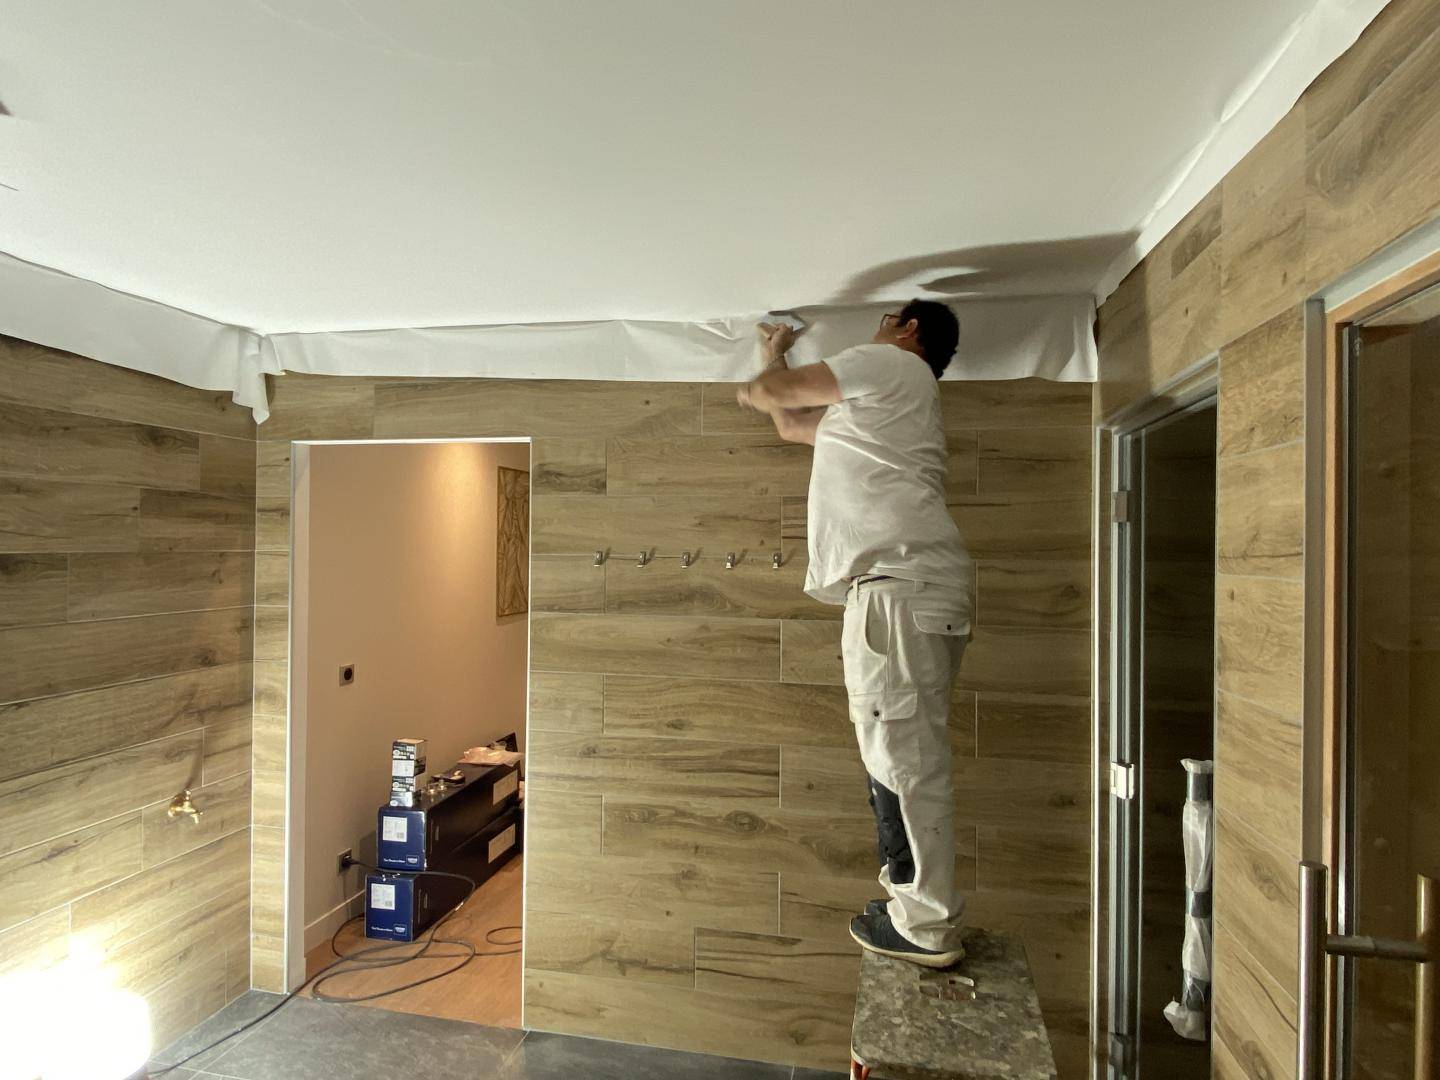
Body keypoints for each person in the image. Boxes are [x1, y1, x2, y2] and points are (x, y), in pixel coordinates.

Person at [736, 301, 972, 968]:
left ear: (909, 328)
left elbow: (773, 397)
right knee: (895, 755)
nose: (876, 326)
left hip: (898, 589)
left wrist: (757, 382)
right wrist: (773, 354)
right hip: (903, 590)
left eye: (886, 316)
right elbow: (791, 422)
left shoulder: (891, 364)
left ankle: (926, 925)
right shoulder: (881, 406)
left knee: (903, 760)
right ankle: (910, 903)